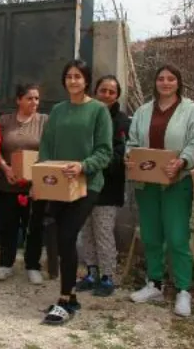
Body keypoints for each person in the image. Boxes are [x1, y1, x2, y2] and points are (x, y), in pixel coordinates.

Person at [36, 59, 113, 325]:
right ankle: (71, 296)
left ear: (86, 80)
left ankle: (65, 299)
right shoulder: (58, 110)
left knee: (68, 236)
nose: (73, 81)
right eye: (69, 76)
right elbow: (46, 145)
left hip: (87, 183)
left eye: (78, 76)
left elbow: (105, 151)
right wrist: (43, 174)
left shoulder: (99, 111)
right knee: (59, 236)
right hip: (58, 184)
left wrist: (83, 166)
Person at [126, 64, 194, 317]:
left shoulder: (191, 110)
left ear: (178, 82)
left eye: (171, 78)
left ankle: (183, 290)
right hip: (147, 183)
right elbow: (132, 142)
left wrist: (182, 161)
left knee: (177, 236)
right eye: (161, 78)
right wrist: (130, 157)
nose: (165, 83)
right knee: (151, 235)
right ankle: (155, 283)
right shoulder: (142, 111)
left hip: (177, 182)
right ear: (155, 83)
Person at [76, 75, 131, 297]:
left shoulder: (122, 121)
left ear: (117, 95)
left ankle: (108, 276)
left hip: (108, 188)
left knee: (103, 232)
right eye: (103, 90)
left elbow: (120, 154)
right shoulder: (86, 114)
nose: (107, 95)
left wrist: (95, 164)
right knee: (86, 231)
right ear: (95, 91)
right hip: (83, 184)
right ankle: (91, 272)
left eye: (112, 91)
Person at [0, 84, 49, 285]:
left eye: (37, 99)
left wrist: (39, 177)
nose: (34, 103)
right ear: (18, 100)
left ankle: (33, 265)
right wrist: (5, 167)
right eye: (29, 98)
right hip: (7, 185)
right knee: (7, 226)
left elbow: (50, 150)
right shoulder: (5, 121)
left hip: (34, 187)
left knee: (33, 227)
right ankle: (5, 264)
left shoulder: (44, 121)